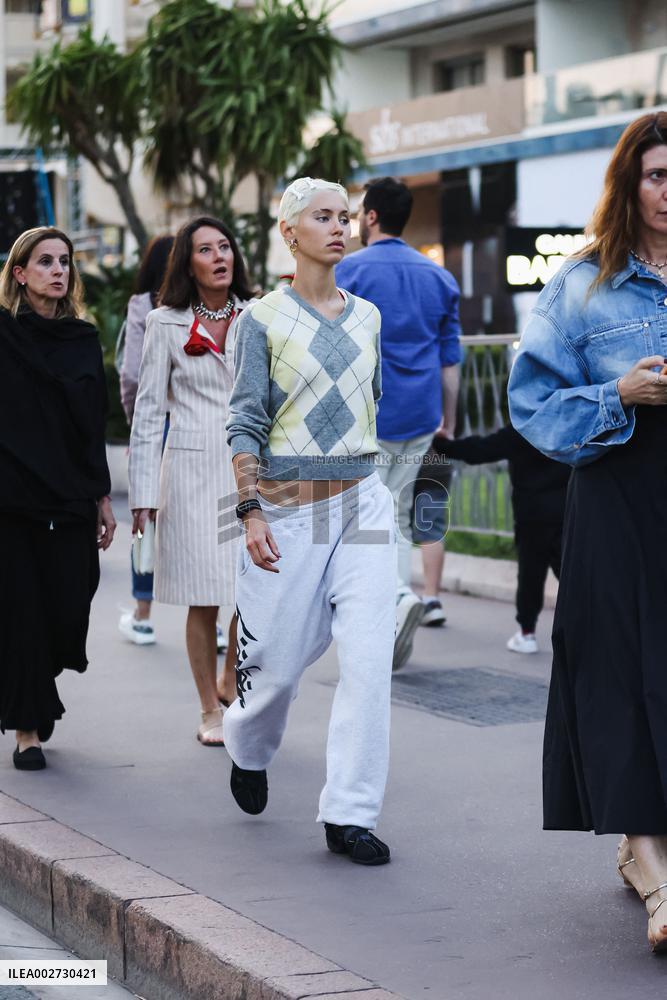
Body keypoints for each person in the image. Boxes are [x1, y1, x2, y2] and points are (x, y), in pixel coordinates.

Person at [508, 112, 667, 953]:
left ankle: (644, 851)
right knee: (615, 670)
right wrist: (620, 399)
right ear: (628, 186)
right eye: (656, 176)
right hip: (616, 492)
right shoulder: (579, 285)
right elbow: (529, 404)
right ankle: (652, 867)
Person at [224, 177, 397, 866]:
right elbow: (244, 421)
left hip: (363, 504)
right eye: (321, 217)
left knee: (366, 662)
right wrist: (250, 509)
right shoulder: (260, 319)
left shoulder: (369, 317)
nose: (338, 227)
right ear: (288, 232)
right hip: (286, 510)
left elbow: (370, 403)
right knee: (274, 668)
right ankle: (246, 745)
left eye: (345, 216)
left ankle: (348, 814)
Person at [129, 216, 252, 746]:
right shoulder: (164, 323)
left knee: (253, 593)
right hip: (191, 472)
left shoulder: (260, 315)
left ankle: (231, 678)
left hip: (252, 471)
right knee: (204, 596)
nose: (220, 256)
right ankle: (209, 709)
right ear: (189, 262)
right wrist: (143, 498)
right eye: (207, 249)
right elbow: (149, 414)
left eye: (225, 247)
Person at [0, 227, 116, 771]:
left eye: (64, 261)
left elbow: (91, 425)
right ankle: (27, 729)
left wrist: (101, 496)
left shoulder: (82, 339)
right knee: (22, 612)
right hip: (12, 497)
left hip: (70, 495)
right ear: (20, 274)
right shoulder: (3, 335)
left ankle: (37, 687)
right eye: (44, 262)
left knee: (69, 603)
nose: (58, 270)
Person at [336, 177, 461, 672]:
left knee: (369, 518)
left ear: (370, 217)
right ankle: (396, 607)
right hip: (422, 411)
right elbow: (451, 359)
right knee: (403, 515)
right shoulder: (439, 278)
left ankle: (394, 601)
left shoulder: (351, 270)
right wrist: (447, 418)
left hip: (368, 415)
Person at [433, 424, 570, 651]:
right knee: (570, 575)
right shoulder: (565, 425)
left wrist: (441, 444)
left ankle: (527, 633)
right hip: (566, 512)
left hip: (531, 515)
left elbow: (479, 450)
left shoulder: (523, 430)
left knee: (530, 575)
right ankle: (592, 627)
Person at [118, 234, 173, 647]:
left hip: (155, 424)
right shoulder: (199, 305)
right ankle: (215, 619)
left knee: (144, 520)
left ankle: (142, 614)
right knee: (206, 516)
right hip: (198, 423)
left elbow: (131, 373)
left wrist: (135, 420)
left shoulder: (143, 305)